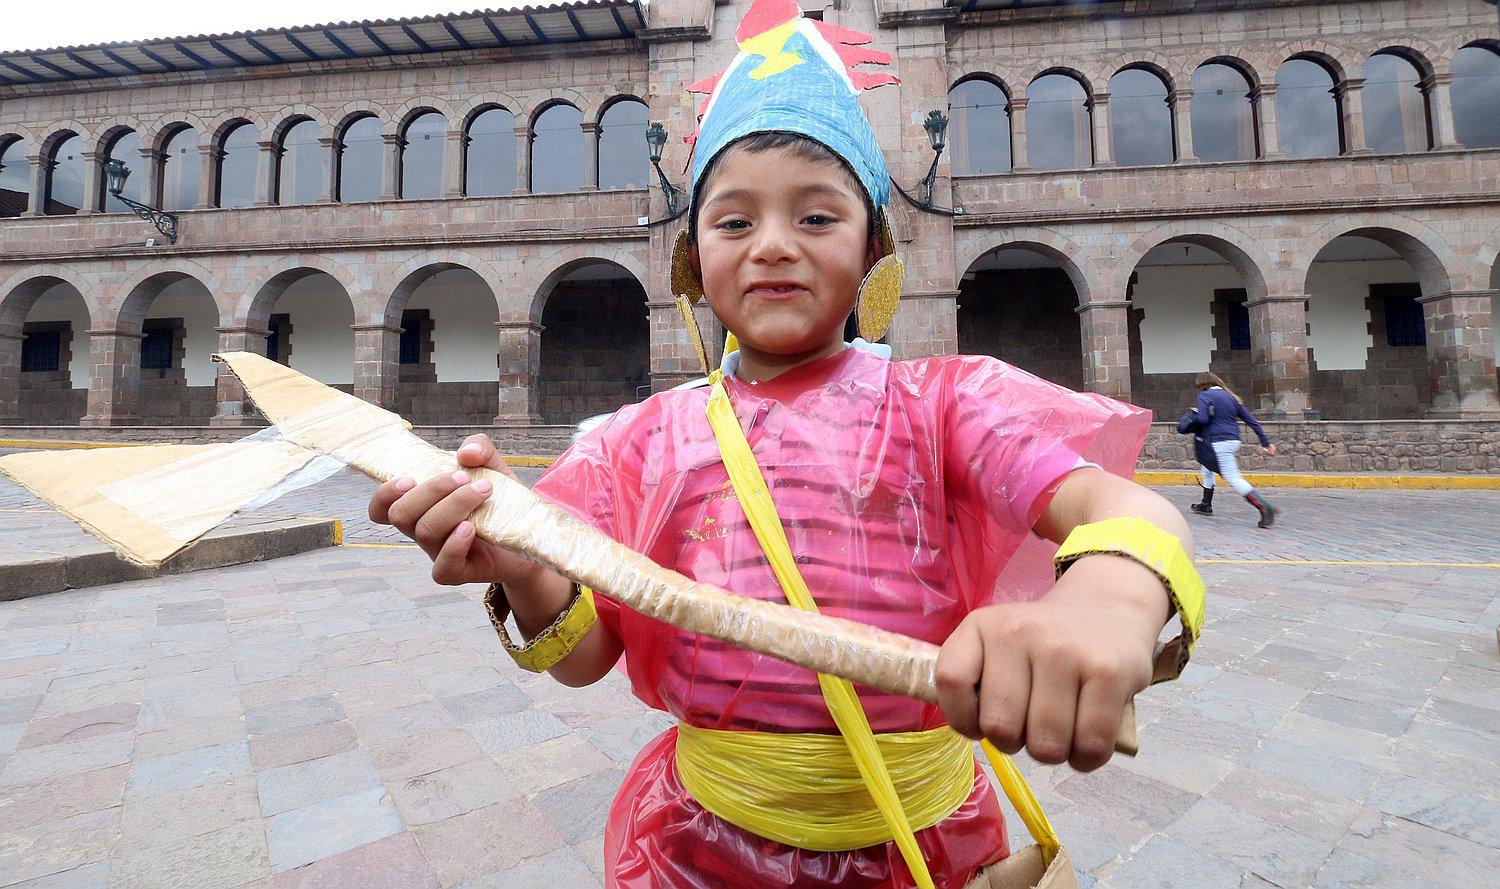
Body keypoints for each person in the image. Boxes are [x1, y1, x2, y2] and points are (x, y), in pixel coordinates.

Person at [367, 2, 1205, 885]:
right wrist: (520, 561)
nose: (772, 244)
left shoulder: (945, 405)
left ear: (874, 249)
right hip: (696, 847)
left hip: (929, 846)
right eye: (733, 222)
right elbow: (585, 655)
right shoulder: (636, 444)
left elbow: (1122, 506)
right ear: (692, 261)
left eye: (815, 218)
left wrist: (1105, 601)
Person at [1188, 372, 1278, 528]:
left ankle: (1263, 506)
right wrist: (1266, 443)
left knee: (1232, 477)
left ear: (1203, 385)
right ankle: (1205, 504)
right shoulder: (1231, 397)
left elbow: (1202, 419)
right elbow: (1252, 421)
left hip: (1217, 440)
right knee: (1206, 466)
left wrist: (1195, 415)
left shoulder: (1205, 396)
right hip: (1232, 439)